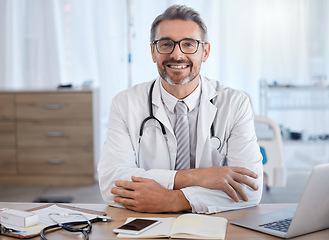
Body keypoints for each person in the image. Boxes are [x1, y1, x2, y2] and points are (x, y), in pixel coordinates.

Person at [98, 4, 263, 214]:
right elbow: (112, 183)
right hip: (144, 224)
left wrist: (173, 200)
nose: (177, 55)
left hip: (213, 225)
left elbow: (249, 188)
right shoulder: (125, 103)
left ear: (205, 52)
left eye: (189, 44)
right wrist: (197, 177)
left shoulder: (235, 103)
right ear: (153, 51)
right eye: (166, 44)